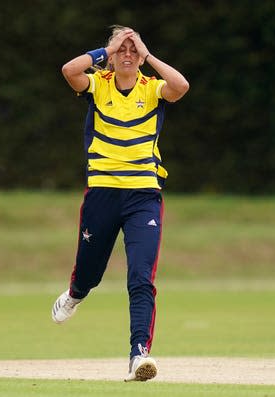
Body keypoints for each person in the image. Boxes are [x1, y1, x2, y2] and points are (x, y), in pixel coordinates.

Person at [51, 25, 189, 381]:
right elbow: (69, 70)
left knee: (141, 276)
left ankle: (138, 353)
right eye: (121, 49)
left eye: (133, 48)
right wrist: (105, 49)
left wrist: (147, 53)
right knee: (89, 273)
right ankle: (76, 293)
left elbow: (181, 87)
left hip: (144, 194)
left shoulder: (152, 88)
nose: (127, 53)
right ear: (111, 56)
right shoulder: (99, 84)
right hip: (102, 193)